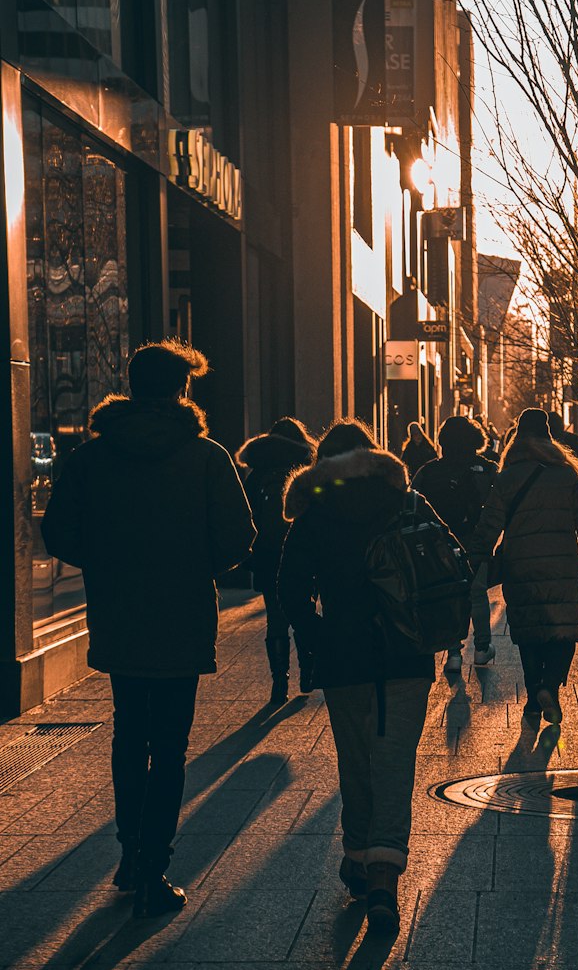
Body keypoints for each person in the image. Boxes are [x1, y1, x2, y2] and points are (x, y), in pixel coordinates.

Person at [40, 340, 255, 919]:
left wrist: (111, 564)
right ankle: (155, 864)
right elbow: (239, 537)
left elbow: (58, 534)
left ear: (132, 385)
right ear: (182, 389)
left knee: (128, 736)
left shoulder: (90, 458)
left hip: (118, 613)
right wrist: (195, 565)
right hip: (182, 615)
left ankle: (131, 854)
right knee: (171, 745)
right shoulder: (206, 457)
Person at [278, 427, 440, 937]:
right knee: (394, 763)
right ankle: (382, 878)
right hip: (406, 653)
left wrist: (315, 634)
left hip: (344, 655)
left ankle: (357, 857)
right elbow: (444, 562)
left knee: (356, 759)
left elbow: (289, 587)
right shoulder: (407, 500)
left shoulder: (315, 510)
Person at [468, 407, 578, 731]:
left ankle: (533, 698)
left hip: (521, 566)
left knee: (529, 634)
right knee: (564, 631)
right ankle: (549, 687)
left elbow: (490, 523)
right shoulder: (566, 474)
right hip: (562, 565)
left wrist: (476, 557)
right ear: (548, 437)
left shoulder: (508, 476)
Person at [237, 417, 316, 706]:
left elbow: (246, 516)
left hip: (268, 555)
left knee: (276, 618)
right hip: (302, 552)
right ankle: (308, 671)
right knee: (303, 612)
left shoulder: (256, 473)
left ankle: (279, 682)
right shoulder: (306, 468)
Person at [413, 416, 497, 672]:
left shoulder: (428, 471)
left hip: (439, 543)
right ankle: (482, 648)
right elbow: (499, 506)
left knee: (452, 594)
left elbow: (412, 503)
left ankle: (454, 652)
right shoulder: (488, 469)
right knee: (477, 592)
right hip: (477, 538)